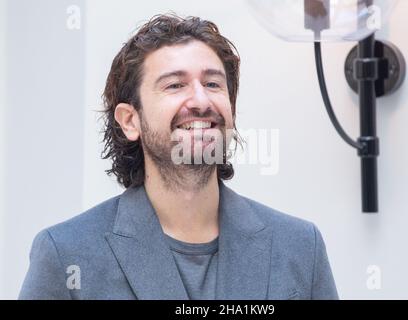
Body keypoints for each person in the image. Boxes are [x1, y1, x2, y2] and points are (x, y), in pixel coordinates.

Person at [19, 14, 338, 300]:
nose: (201, 100)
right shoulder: (65, 255)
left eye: (213, 84)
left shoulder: (300, 247)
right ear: (130, 120)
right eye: (175, 85)